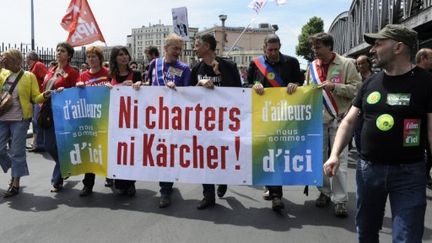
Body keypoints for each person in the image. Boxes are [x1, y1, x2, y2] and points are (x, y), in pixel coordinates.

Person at [324, 24, 429, 242]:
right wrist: (334, 154)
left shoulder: (426, 83)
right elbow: (349, 121)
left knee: (407, 235)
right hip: (369, 171)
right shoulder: (370, 83)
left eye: (379, 44)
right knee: (366, 231)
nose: (372, 50)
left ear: (398, 47)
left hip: (409, 173)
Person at [305, 32, 361, 217]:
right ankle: (324, 192)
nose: (315, 51)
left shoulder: (346, 64)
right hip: (318, 120)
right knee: (319, 159)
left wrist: (335, 87)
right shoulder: (312, 67)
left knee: (339, 160)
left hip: (339, 119)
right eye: (314, 47)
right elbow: (307, 90)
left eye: (318, 47)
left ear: (329, 47)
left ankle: (340, 199)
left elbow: (357, 89)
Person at [247, 34, 303, 211]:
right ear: (264, 49)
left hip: (284, 115)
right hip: (262, 115)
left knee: (278, 152)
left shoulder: (292, 62)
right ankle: (271, 187)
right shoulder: (255, 64)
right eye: (269, 50)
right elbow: (247, 84)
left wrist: (295, 84)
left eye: (276, 49)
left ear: (280, 46)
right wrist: (253, 86)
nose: (273, 53)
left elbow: (302, 83)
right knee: (265, 152)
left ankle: (277, 195)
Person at [137, 34, 191, 208]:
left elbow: (190, 93)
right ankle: (166, 186)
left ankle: (166, 189)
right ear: (166, 48)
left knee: (169, 154)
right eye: (175, 48)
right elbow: (148, 84)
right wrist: (140, 86)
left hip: (175, 118)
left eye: (180, 49)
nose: (178, 52)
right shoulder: (155, 64)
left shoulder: (184, 68)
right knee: (160, 153)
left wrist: (177, 90)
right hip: (155, 117)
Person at [189, 33, 242, 209]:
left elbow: (237, 92)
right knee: (205, 158)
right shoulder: (196, 69)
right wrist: (200, 84)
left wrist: (219, 74)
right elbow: (188, 95)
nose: (194, 48)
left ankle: (223, 179)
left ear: (207, 47)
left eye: (197, 45)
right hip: (203, 123)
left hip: (225, 122)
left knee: (222, 156)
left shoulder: (228, 65)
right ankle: (208, 195)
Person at [0, 49, 49, 197]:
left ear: (15, 60)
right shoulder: (2, 74)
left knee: (17, 152)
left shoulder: (29, 76)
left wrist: (44, 96)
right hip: (2, 118)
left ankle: (15, 182)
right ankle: (16, 166)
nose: (3, 61)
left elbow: (35, 97)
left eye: (6, 59)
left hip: (20, 120)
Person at [42, 42, 79, 192]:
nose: (58, 53)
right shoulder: (50, 71)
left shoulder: (72, 72)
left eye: (62, 51)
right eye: (57, 50)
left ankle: (57, 179)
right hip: (47, 112)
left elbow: (76, 92)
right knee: (49, 146)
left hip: (64, 113)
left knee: (62, 146)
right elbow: (42, 89)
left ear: (69, 55)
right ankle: (66, 166)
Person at [76, 46, 111, 197]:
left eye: (94, 57)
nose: (91, 59)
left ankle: (112, 176)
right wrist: (78, 87)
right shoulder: (83, 76)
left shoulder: (108, 73)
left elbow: (117, 91)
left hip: (107, 118)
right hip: (90, 121)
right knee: (90, 152)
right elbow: (77, 96)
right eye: (89, 57)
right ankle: (88, 185)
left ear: (100, 59)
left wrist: (112, 87)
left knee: (108, 150)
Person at [108, 46, 141, 196]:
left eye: (126, 54)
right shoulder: (110, 76)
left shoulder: (136, 74)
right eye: (120, 55)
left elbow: (146, 93)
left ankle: (131, 182)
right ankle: (119, 181)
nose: (124, 57)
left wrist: (140, 86)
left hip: (131, 120)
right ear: (115, 58)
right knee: (118, 153)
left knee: (130, 152)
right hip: (115, 121)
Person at [415, 48, 432, 188]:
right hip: (417, 124)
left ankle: (425, 175)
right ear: (423, 58)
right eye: (431, 58)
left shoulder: (428, 77)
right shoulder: (412, 76)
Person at [25, 51, 48, 153]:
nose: (25, 60)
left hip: (39, 97)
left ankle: (39, 144)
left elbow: (46, 79)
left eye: (26, 58)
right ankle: (36, 143)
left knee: (37, 121)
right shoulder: (33, 67)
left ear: (30, 58)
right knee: (35, 121)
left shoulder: (38, 65)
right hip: (35, 98)